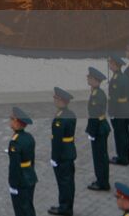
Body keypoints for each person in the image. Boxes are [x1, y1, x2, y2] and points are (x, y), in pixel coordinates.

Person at [51, 87, 77, 216]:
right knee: (68, 182)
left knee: (64, 182)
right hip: (69, 151)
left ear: (61, 100)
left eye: (56, 98)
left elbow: (57, 141)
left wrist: (54, 158)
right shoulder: (70, 114)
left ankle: (65, 208)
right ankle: (67, 206)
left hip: (62, 154)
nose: (54, 100)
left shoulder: (60, 119)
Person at [8, 107, 38, 216]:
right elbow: (32, 160)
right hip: (30, 176)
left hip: (20, 181)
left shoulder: (15, 143)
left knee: (21, 210)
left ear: (17, 122)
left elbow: (14, 166)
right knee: (28, 206)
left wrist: (13, 184)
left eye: (12, 118)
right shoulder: (29, 137)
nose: (10, 121)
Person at [86, 66, 112, 192]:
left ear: (95, 80)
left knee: (100, 157)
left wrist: (92, 131)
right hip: (99, 127)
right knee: (100, 156)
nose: (87, 78)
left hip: (98, 128)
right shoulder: (96, 92)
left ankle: (102, 183)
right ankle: (101, 180)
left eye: (89, 77)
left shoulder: (97, 95)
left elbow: (95, 115)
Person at [109, 53, 129, 166]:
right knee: (125, 133)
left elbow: (114, 98)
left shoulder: (116, 79)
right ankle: (126, 157)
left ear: (115, 65)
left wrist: (111, 112)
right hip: (125, 108)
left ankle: (122, 158)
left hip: (118, 109)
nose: (109, 65)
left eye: (111, 63)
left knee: (120, 134)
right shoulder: (124, 76)